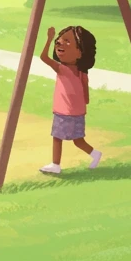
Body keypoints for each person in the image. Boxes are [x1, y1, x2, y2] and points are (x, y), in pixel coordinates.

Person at [37, 25, 101, 174]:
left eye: (67, 42)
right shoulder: (79, 72)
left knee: (58, 137)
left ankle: (56, 165)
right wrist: (84, 103)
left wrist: (49, 39)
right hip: (75, 111)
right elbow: (86, 94)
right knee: (77, 140)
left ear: (80, 52)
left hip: (65, 110)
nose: (59, 43)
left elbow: (43, 57)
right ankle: (94, 154)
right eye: (58, 40)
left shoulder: (63, 69)